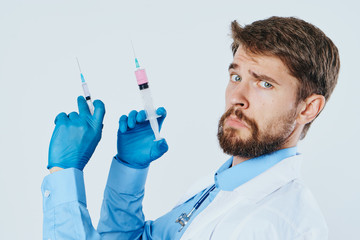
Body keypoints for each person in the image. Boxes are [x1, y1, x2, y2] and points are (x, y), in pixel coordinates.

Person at [42, 16, 340, 240]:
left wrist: (64, 175)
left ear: (308, 108)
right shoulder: (218, 186)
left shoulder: (263, 224)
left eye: (264, 83)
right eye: (236, 77)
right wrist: (128, 170)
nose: (237, 97)